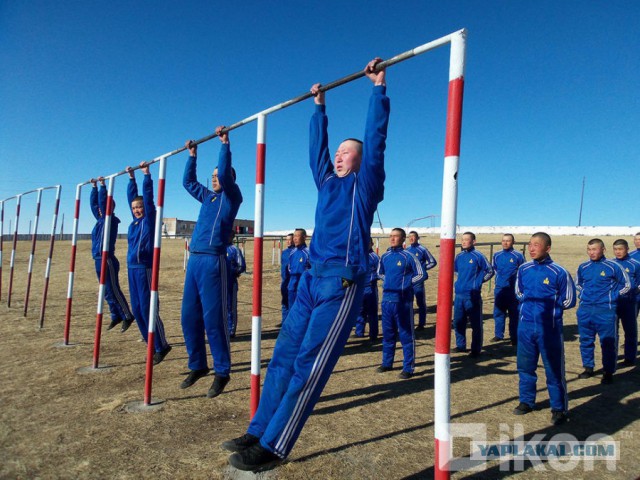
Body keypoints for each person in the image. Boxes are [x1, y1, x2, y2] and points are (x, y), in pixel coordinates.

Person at [223, 58, 390, 472]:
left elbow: (375, 141)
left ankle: (275, 445)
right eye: (338, 152)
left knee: (308, 365)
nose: (338, 156)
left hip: (341, 282)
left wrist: (377, 89)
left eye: (346, 153)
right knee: (282, 358)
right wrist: (319, 108)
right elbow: (315, 150)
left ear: (359, 160)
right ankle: (259, 429)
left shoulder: (364, 186)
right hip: (311, 281)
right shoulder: (328, 183)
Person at [180, 126, 243, 398]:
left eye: (220, 175)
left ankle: (222, 371)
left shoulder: (232, 197)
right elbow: (188, 183)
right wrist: (192, 156)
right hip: (194, 260)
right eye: (213, 176)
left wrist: (224, 144)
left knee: (213, 319)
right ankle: (198, 365)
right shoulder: (208, 197)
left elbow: (225, 172)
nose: (215, 178)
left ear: (229, 178)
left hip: (213, 262)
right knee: (188, 317)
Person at [512, 232, 576, 425]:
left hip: (549, 329)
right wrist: (527, 308)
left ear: (547, 248)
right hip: (525, 326)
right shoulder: (523, 269)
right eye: (530, 245)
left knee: (554, 370)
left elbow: (570, 299)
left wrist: (551, 311)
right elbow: (518, 291)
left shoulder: (559, 272)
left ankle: (558, 409)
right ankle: (526, 401)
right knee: (525, 366)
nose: (532, 248)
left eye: (536, 245)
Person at [125, 162, 172, 364]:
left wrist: (146, 176)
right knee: (136, 310)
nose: (136, 210)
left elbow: (149, 198)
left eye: (139, 207)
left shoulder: (148, 220)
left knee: (147, 308)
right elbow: (130, 198)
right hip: (131, 270)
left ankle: (162, 345)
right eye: (134, 208)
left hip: (144, 268)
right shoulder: (133, 223)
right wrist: (130, 179)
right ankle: (150, 343)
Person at [576, 238, 630, 384]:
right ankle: (588, 367)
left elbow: (626, 285)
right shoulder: (583, 267)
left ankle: (608, 371)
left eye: (594, 249)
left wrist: (612, 296)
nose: (591, 252)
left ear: (603, 250)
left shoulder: (613, 266)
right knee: (586, 340)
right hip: (585, 309)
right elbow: (579, 284)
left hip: (605, 310)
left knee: (607, 342)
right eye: (589, 249)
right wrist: (584, 295)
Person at [89, 177, 134, 332]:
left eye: (104, 208)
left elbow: (102, 204)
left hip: (107, 259)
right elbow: (94, 205)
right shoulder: (100, 220)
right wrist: (94, 188)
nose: (100, 210)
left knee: (113, 288)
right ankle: (116, 315)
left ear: (110, 208)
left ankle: (127, 315)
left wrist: (103, 186)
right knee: (105, 291)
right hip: (97, 258)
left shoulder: (111, 220)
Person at [377, 228, 424, 378]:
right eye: (391, 236)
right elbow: (380, 273)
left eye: (396, 236)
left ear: (403, 239)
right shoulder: (384, 256)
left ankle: (408, 367)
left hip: (403, 302)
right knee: (388, 334)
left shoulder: (408, 256)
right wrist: (389, 282)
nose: (392, 239)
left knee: (406, 335)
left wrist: (406, 284)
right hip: (387, 301)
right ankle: (387, 363)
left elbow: (422, 274)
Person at [453, 232, 494, 356]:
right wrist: (460, 283)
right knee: (458, 322)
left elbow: (490, 271)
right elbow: (456, 271)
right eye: (462, 239)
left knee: (475, 324)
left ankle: (475, 350)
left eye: (467, 239)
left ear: (473, 242)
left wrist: (478, 283)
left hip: (473, 296)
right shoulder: (458, 256)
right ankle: (461, 345)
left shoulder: (478, 256)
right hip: (459, 295)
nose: (464, 242)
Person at [492, 233, 525, 344]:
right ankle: (498, 335)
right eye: (503, 240)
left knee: (514, 314)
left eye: (508, 241)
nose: (505, 243)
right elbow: (495, 269)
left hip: (512, 291)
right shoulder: (497, 255)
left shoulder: (518, 256)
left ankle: (514, 337)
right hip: (500, 289)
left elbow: (522, 272)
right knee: (498, 313)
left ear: (513, 242)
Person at [611, 239, 640, 365]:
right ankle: (612, 356)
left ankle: (630, 357)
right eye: (616, 249)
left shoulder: (635, 264)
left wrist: (633, 292)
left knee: (630, 331)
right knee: (613, 331)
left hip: (629, 303)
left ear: (627, 249)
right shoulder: (610, 264)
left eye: (620, 249)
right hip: (614, 303)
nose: (618, 252)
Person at [404, 231, 437, 330]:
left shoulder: (422, 249)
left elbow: (432, 262)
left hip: (418, 281)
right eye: (409, 237)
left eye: (413, 237)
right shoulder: (406, 250)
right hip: (408, 280)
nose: (411, 238)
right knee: (408, 302)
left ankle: (421, 324)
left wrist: (422, 269)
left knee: (420, 302)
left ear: (417, 238)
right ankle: (408, 323)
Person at [354, 238, 380, 340]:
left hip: (370, 288)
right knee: (360, 310)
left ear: (372, 244)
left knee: (372, 312)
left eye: (368, 243)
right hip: (359, 289)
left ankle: (373, 334)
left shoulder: (375, 257)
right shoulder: (358, 257)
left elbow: (381, 272)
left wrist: (372, 278)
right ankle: (359, 332)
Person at [285, 228, 310, 320]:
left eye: (297, 236)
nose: (294, 238)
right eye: (294, 236)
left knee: (303, 311)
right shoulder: (292, 253)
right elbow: (289, 269)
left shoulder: (308, 253)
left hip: (303, 288)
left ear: (304, 237)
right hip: (292, 287)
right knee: (292, 311)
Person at [226, 231, 246, 338]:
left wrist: (232, 270)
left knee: (230, 306)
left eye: (228, 234)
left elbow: (242, 266)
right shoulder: (218, 248)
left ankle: (231, 330)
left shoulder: (234, 250)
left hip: (231, 283)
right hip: (218, 284)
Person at [280, 233, 295, 322]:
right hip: (284, 282)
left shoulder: (296, 252)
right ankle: (284, 322)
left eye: (290, 239)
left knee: (292, 303)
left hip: (293, 282)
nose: (288, 242)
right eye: (287, 240)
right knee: (284, 303)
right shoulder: (284, 253)